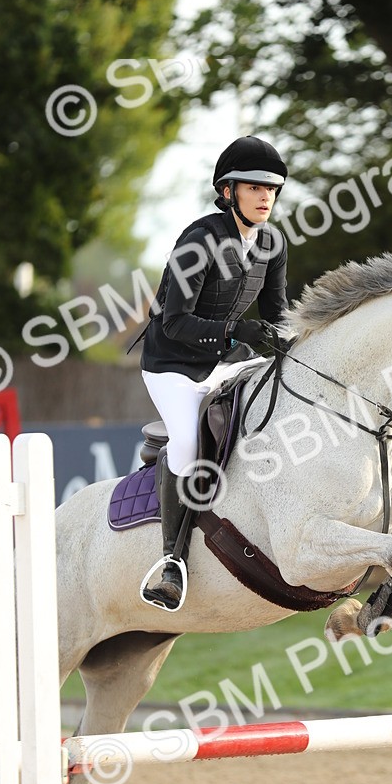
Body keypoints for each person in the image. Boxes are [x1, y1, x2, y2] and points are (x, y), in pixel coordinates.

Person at [139, 135, 289, 610]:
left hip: (229, 360)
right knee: (186, 443)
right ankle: (171, 563)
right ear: (228, 192)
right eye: (255, 187)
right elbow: (175, 321)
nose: (266, 196)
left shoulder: (273, 243)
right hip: (174, 365)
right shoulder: (198, 240)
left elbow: (278, 314)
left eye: (273, 188)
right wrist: (233, 334)